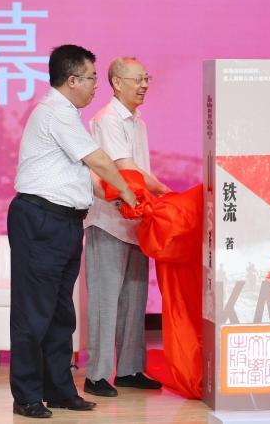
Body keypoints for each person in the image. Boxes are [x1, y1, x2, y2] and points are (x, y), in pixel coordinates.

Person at [8, 44, 137, 418]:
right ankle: (27, 396)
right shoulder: (56, 112)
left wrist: (110, 196)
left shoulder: (67, 116)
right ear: (71, 80)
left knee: (60, 313)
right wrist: (126, 191)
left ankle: (60, 390)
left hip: (64, 222)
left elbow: (79, 174)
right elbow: (98, 160)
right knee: (34, 313)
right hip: (41, 221)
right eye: (93, 77)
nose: (97, 85)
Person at [83, 57, 170, 398]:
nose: (144, 85)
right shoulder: (107, 119)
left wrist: (154, 196)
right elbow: (125, 167)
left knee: (134, 299)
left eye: (147, 78)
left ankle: (130, 369)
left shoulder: (138, 122)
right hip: (109, 220)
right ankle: (97, 375)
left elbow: (138, 170)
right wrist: (163, 189)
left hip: (136, 221)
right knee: (105, 301)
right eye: (138, 79)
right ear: (117, 83)